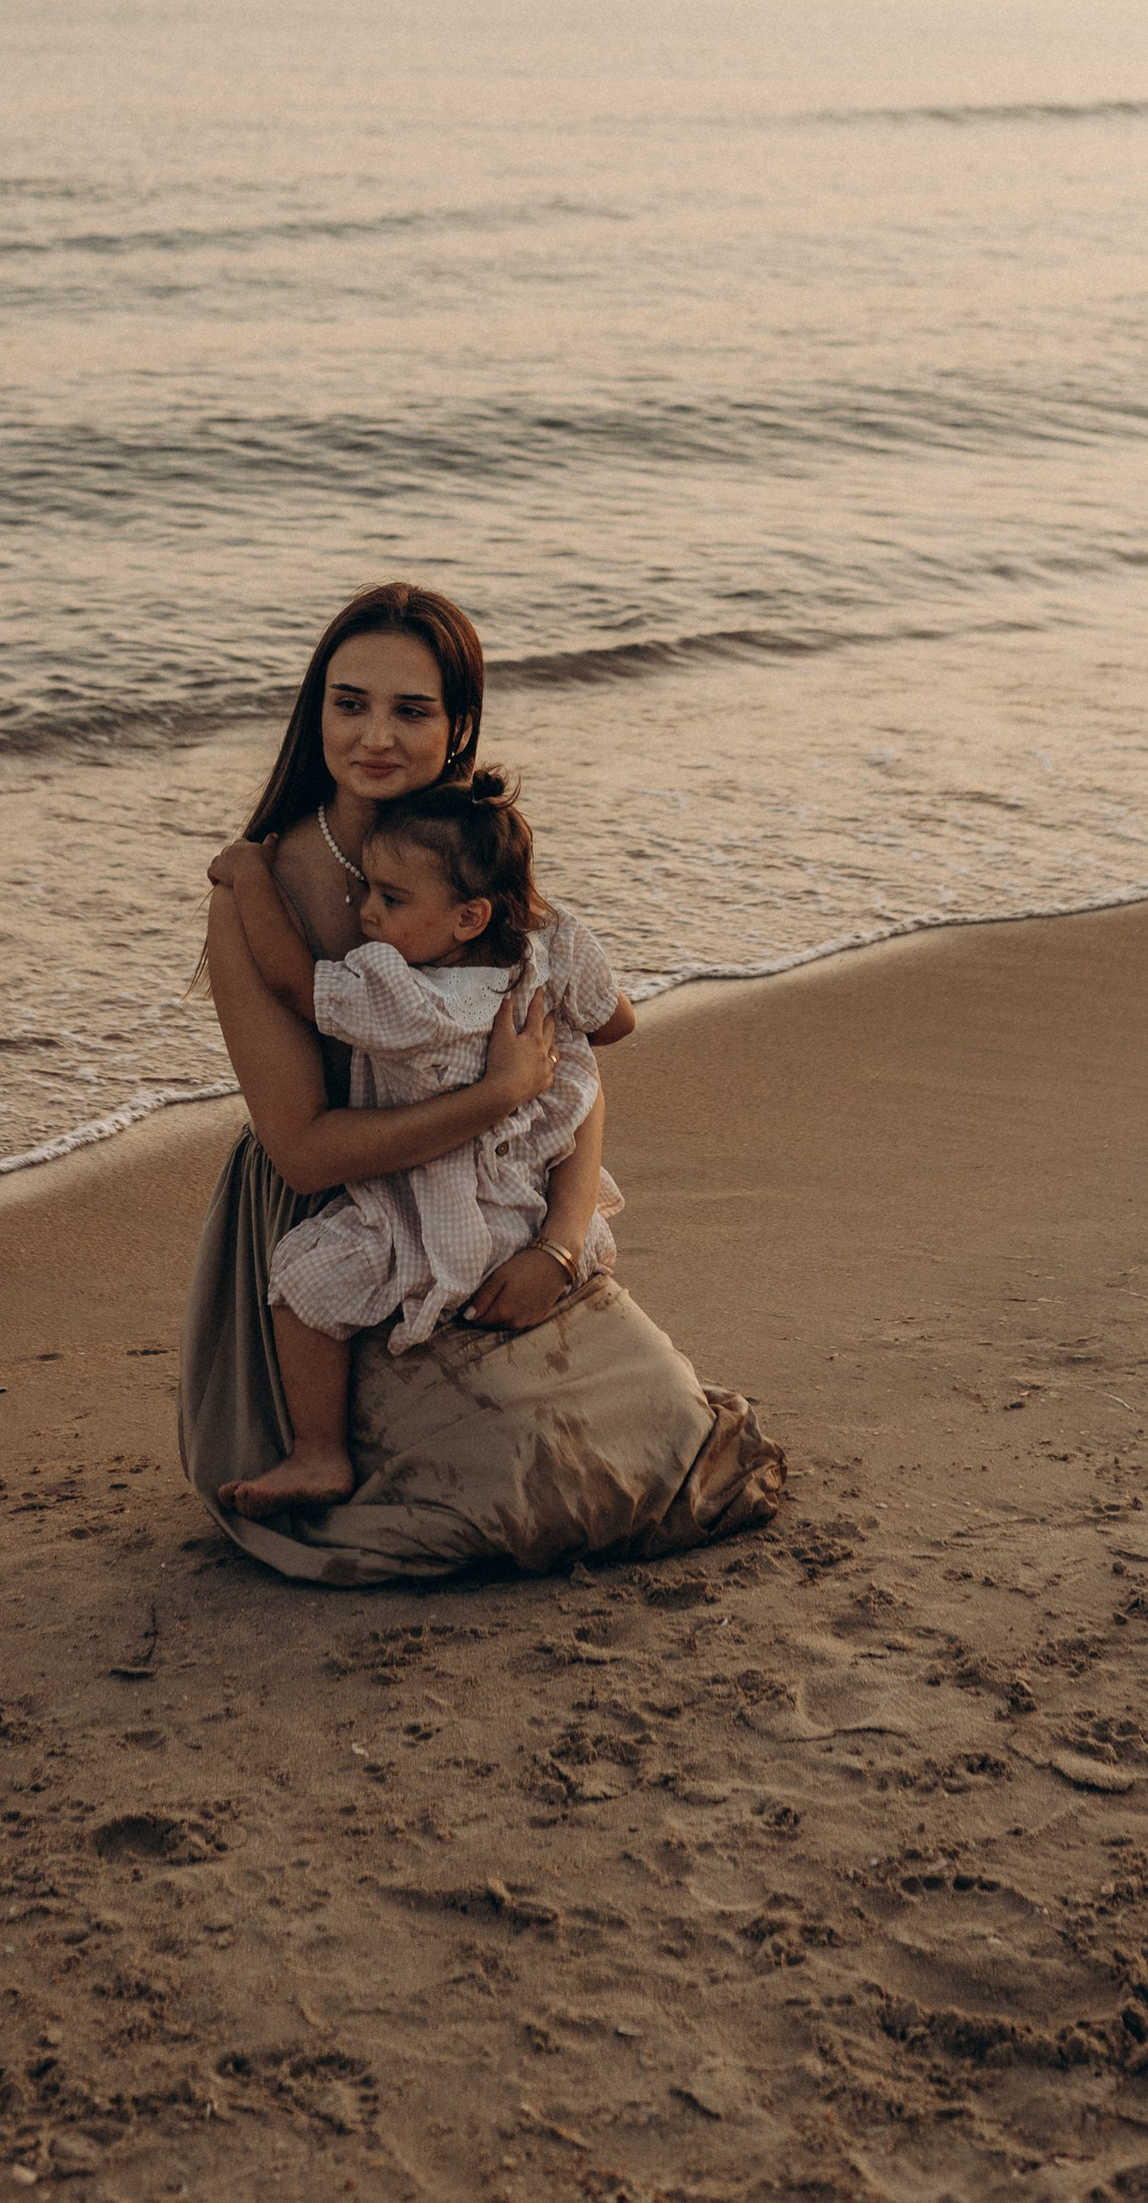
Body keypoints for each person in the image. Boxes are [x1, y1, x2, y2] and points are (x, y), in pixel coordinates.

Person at [177, 580, 784, 1581]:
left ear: (458, 728)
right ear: (314, 712)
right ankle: (322, 1443)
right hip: (342, 1218)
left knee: (675, 1443)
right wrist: (492, 1097)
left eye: (410, 710)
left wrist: (556, 1242)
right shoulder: (262, 890)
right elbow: (305, 1150)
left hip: (502, 1200)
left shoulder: (469, 863)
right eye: (349, 702)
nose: (375, 735)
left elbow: (570, 1072)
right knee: (515, 1489)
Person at [206, 768, 629, 1511]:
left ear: (466, 920)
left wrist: (247, 874)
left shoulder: (406, 996)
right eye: (368, 888)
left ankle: (317, 1452)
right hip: (528, 1200)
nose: (368, 912)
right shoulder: (552, 940)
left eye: (390, 899)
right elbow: (617, 1021)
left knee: (304, 1278)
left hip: (429, 1205)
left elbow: (293, 983)